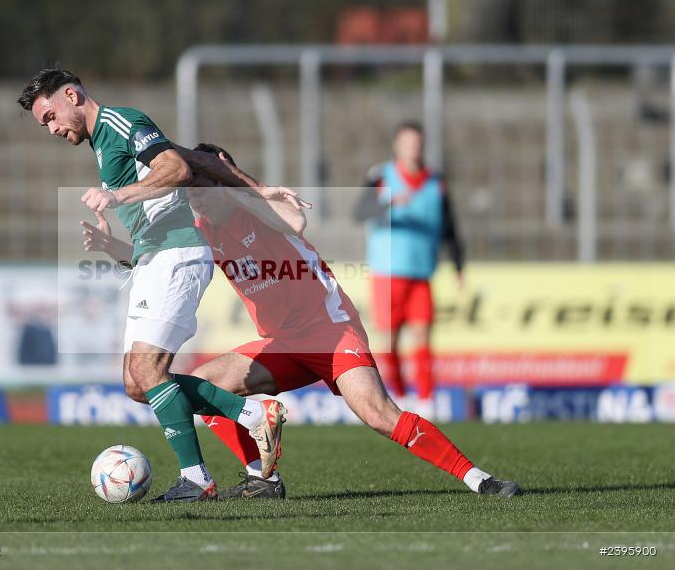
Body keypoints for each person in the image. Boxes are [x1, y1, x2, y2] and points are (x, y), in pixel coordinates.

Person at [82, 143, 519, 500]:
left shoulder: (255, 207)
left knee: (378, 413)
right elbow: (153, 259)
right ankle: (264, 478)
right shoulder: (201, 229)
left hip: (330, 328)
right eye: (192, 189)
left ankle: (478, 479)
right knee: (205, 385)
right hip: (282, 342)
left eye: (202, 186)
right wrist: (111, 247)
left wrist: (237, 187)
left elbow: (296, 219)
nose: (195, 196)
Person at [18, 68, 287, 503]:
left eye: (50, 116)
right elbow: (170, 192)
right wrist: (112, 245)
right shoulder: (103, 144)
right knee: (136, 382)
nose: (51, 129)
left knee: (148, 372)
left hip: (178, 255)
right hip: (155, 258)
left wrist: (117, 196)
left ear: (71, 95)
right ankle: (253, 415)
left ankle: (199, 477)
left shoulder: (121, 122)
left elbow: (176, 167)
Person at [353, 121, 465, 415]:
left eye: (417, 143)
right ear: (397, 146)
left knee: (423, 337)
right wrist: (388, 202)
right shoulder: (381, 176)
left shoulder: (435, 181)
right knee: (389, 341)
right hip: (388, 272)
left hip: (421, 271)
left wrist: (458, 263)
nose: (413, 148)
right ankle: (400, 396)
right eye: (408, 143)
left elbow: (449, 224)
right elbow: (359, 211)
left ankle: (427, 400)